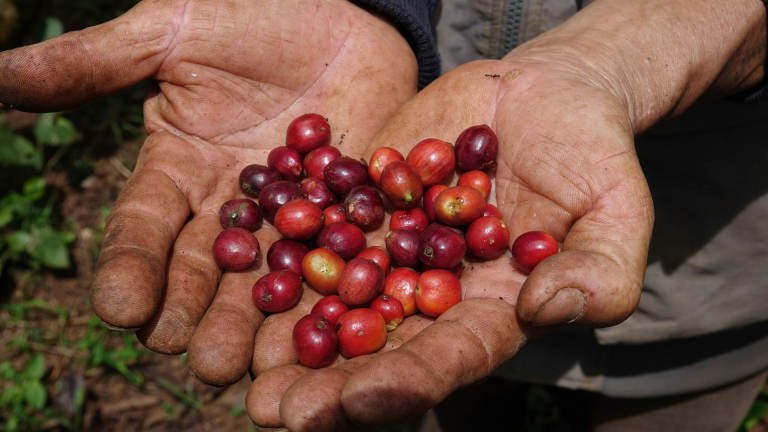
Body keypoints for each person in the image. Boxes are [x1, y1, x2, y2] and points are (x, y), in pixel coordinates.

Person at [0, 0, 765, 430]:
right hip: (451, 244)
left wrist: (622, 55)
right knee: (447, 396)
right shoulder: (394, 229)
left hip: (707, 276)